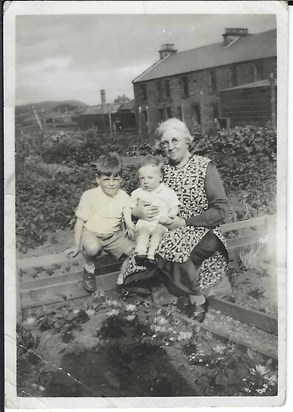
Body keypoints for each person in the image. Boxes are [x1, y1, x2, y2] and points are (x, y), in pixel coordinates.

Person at [121, 118, 232, 322]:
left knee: (168, 249)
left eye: (175, 140)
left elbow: (221, 210)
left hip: (203, 230)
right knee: (140, 256)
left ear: (187, 140)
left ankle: (196, 298)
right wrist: (139, 212)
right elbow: (138, 197)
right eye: (165, 143)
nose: (170, 147)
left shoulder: (204, 166)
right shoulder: (162, 171)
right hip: (166, 228)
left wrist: (185, 222)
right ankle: (151, 293)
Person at [66, 152, 134, 293]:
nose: (111, 183)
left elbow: (126, 216)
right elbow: (79, 222)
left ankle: (122, 280)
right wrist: (76, 245)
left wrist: (128, 227)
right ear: (98, 179)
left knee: (135, 252)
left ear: (121, 179)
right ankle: (89, 269)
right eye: (106, 179)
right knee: (92, 248)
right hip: (92, 234)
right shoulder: (90, 195)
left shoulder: (123, 196)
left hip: (113, 236)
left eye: (116, 179)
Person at [124, 155, 180, 265]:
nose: (145, 182)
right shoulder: (138, 192)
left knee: (158, 233)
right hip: (144, 223)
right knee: (143, 232)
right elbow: (128, 207)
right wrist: (129, 222)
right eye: (142, 178)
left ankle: (152, 254)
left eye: (150, 178)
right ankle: (140, 253)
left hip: (160, 223)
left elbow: (175, 207)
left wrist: (168, 217)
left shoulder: (167, 192)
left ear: (160, 177)